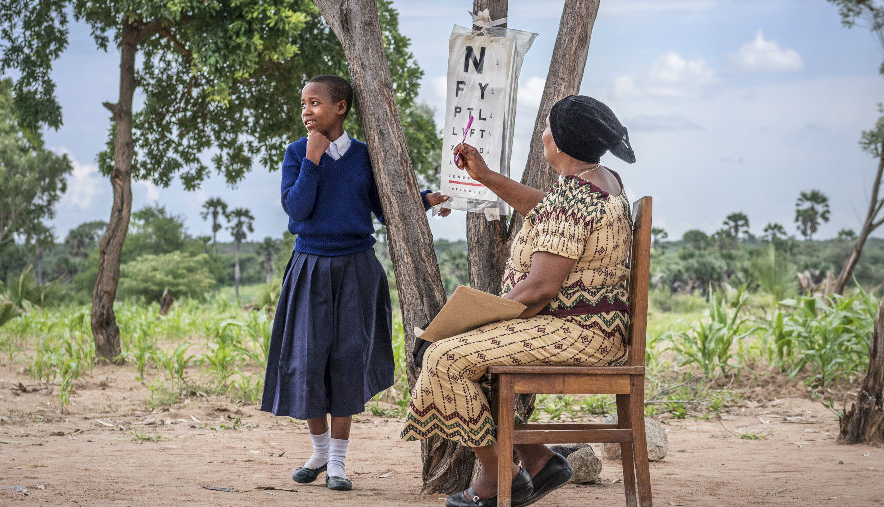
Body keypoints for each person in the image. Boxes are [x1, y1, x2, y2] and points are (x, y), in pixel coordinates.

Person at [400, 95, 637, 507]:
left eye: (547, 126)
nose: (542, 133)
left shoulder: (574, 200)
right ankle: (539, 459)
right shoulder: (599, 181)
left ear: (560, 143)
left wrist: (465, 322)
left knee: (444, 357)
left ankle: (499, 474)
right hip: (593, 329)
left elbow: (538, 289)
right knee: (462, 353)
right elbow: (544, 209)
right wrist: (486, 176)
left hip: (578, 334)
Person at [261, 74, 450, 492]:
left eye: (315, 103)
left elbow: (385, 209)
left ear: (340, 108)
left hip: (356, 268)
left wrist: (425, 200)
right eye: (304, 104)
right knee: (310, 361)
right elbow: (297, 210)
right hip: (309, 266)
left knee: (347, 360)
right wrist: (312, 159)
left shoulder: (366, 156)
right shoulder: (296, 153)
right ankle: (318, 452)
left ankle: (339, 464)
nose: (307, 111)